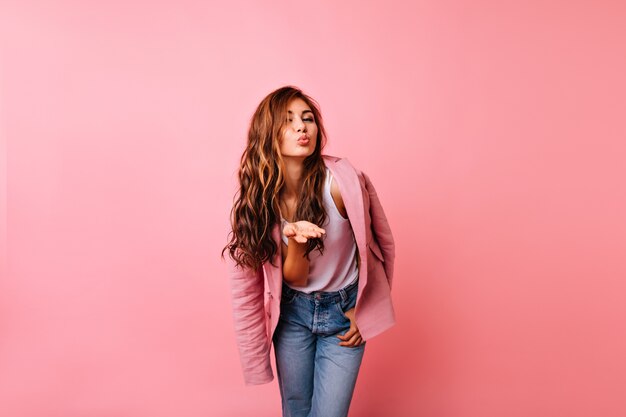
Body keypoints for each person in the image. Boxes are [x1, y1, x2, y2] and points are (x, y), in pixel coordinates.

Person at [222, 85, 396, 417]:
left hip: (343, 315)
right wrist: (297, 245)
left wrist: (368, 309)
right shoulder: (258, 200)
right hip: (292, 316)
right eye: (289, 121)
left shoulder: (343, 182)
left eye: (308, 118)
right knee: (296, 410)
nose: (303, 127)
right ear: (268, 134)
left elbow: (381, 246)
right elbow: (247, 290)